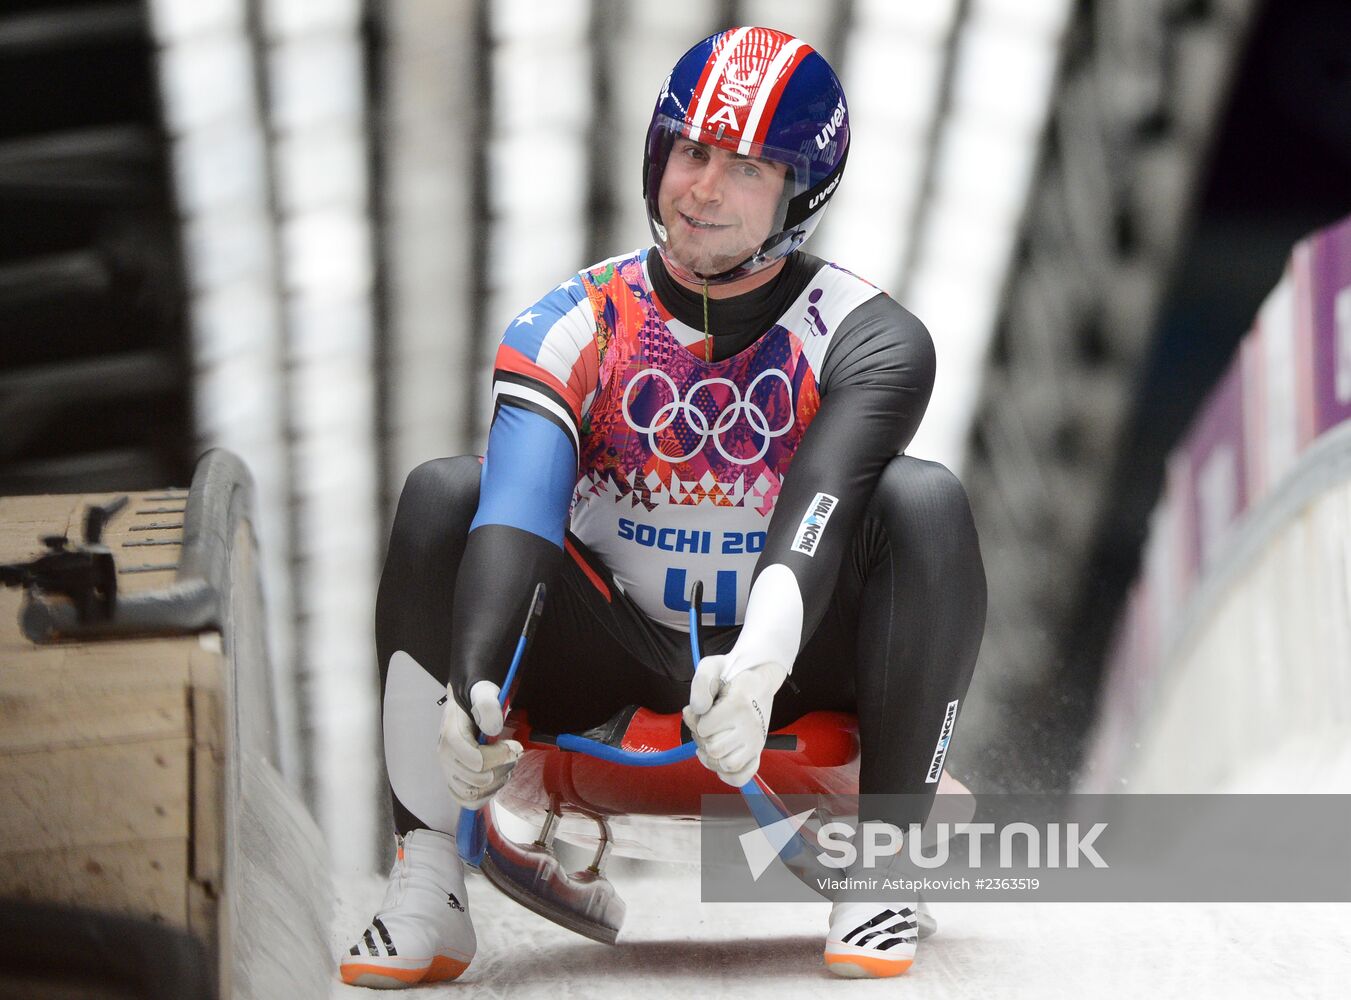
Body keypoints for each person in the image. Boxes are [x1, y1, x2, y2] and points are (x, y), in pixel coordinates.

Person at [341, 26, 986, 987]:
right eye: (690, 151)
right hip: (608, 647)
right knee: (443, 489)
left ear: (798, 194)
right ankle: (428, 877)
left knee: (923, 499)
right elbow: (515, 509)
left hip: (795, 658)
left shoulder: (869, 334)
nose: (702, 191)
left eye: (746, 168)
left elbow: (823, 505)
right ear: (657, 154)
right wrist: (473, 688)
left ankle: (886, 863)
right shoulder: (570, 322)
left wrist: (760, 664)